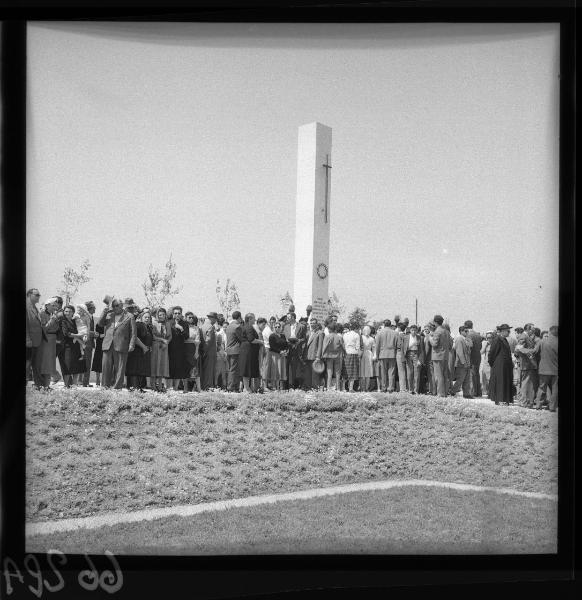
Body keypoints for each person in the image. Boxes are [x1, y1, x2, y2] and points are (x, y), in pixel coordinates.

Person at [98, 297, 137, 389]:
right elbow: (100, 324)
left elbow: (133, 332)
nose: (114, 308)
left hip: (121, 345)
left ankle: (117, 387)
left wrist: (131, 344)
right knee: (106, 367)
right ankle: (104, 386)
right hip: (108, 344)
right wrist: (105, 311)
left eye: (116, 306)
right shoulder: (109, 314)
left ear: (121, 305)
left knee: (120, 368)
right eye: (113, 306)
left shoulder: (129, 316)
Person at [125, 309, 153, 391]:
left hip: (142, 352)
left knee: (140, 369)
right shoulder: (138, 325)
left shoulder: (148, 327)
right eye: (145, 317)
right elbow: (135, 337)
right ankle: (134, 387)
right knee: (134, 369)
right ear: (141, 317)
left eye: (149, 317)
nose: (147, 319)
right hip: (136, 351)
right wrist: (144, 347)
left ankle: (138, 387)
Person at [60, 304, 86, 387]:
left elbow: (82, 329)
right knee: (67, 367)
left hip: (76, 347)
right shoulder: (63, 321)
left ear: (73, 313)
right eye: (66, 311)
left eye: (69, 311)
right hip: (67, 347)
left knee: (76, 367)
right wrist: (79, 335)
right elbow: (66, 334)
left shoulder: (75, 321)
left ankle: (74, 386)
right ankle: (66, 386)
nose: (67, 313)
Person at [488, 324, 515, 405]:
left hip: (505, 366)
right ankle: (499, 400)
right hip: (499, 365)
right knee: (500, 382)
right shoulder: (497, 339)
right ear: (503, 331)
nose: (509, 332)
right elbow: (492, 353)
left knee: (505, 382)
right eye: (508, 331)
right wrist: (493, 364)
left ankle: (505, 399)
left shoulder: (504, 340)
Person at [515, 326, 540, 408]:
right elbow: (519, 348)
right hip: (527, 364)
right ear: (528, 329)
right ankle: (524, 402)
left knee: (530, 384)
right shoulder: (523, 336)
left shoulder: (526, 336)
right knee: (525, 384)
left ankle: (529, 402)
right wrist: (531, 352)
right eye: (532, 329)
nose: (533, 331)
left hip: (529, 364)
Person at [534, 325, 558, 411]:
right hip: (555, 370)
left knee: (542, 388)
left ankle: (538, 405)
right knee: (555, 389)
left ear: (550, 332)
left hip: (543, 369)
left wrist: (522, 349)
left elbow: (534, 352)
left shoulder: (543, 341)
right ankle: (552, 407)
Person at [38, 298, 61, 389]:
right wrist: (53, 319)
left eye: (56, 305)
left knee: (50, 363)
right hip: (46, 339)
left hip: (52, 339)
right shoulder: (42, 314)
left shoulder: (52, 314)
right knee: (45, 363)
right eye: (53, 305)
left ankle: (46, 386)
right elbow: (44, 328)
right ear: (47, 305)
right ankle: (43, 385)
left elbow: (56, 328)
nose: (55, 307)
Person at [238, 313, 263, 392]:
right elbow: (251, 339)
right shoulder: (249, 327)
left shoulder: (246, 326)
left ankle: (247, 387)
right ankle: (246, 388)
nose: (255, 320)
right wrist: (260, 341)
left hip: (248, 351)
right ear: (249, 319)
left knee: (248, 369)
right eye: (253, 318)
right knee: (246, 369)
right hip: (247, 351)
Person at [26, 288, 45, 388]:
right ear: (29, 295)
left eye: (39, 295)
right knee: (27, 365)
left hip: (37, 341)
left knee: (36, 365)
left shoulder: (35, 307)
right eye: (37, 295)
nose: (39, 296)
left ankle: (39, 386)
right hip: (29, 342)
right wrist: (27, 339)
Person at [167, 306, 189, 391]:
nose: (177, 315)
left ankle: (175, 388)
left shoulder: (185, 324)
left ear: (181, 314)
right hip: (170, 348)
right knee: (170, 368)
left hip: (180, 349)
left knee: (178, 369)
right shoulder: (169, 322)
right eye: (175, 313)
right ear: (173, 314)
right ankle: (168, 388)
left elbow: (187, 337)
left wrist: (181, 329)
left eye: (179, 313)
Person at [429, 315, 451, 397]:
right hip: (445, 356)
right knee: (445, 375)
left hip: (437, 356)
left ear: (435, 322)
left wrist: (430, 338)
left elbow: (434, 344)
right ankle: (444, 393)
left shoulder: (437, 332)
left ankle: (440, 394)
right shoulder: (447, 332)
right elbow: (450, 345)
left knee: (438, 376)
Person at [284, 312, 307, 389]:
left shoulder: (301, 326)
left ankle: (296, 384)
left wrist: (299, 341)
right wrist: (286, 341)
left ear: (293, 317)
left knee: (296, 368)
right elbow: (284, 337)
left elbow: (304, 338)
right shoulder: (286, 326)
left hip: (297, 349)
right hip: (288, 349)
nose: (287, 319)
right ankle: (288, 384)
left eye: (288, 317)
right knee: (287, 367)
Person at [151, 308, 172, 392]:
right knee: (154, 365)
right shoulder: (154, 323)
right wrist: (162, 340)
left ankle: (160, 386)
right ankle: (153, 385)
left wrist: (166, 343)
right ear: (157, 315)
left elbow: (170, 336)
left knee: (162, 366)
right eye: (160, 315)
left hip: (164, 347)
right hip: (156, 346)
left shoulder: (167, 324)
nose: (162, 316)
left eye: (163, 314)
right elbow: (153, 336)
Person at [320, 322, 345, 391]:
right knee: (338, 373)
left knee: (329, 372)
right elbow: (343, 346)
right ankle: (338, 388)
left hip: (329, 356)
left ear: (330, 329)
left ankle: (328, 387)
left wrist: (322, 355)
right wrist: (344, 353)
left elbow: (324, 347)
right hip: (338, 356)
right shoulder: (339, 336)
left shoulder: (327, 336)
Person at [374, 319, 398, 392]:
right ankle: (391, 388)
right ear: (390, 325)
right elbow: (397, 345)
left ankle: (384, 388)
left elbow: (377, 346)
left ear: (384, 325)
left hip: (382, 354)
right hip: (392, 354)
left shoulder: (380, 333)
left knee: (383, 372)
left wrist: (377, 355)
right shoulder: (395, 333)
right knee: (391, 372)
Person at [450, 326, 473, 397]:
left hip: (467, 362)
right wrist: (464, 362)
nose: (467, 332)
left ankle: (466, 394)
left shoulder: (466, 339)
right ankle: (453, 391)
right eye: (465, 331)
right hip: (461, 363)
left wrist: (468, 340)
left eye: (467, 331)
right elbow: (460, 352)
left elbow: (470, 347)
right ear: (461, 331)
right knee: (460, 379)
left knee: (467, 379)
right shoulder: (459, 339)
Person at [183, 312, 203, 393]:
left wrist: (196, 351)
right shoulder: (183, 327)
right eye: (189, 317)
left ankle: (199, 388)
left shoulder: (196, 328)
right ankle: (185, 388)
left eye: (192, 317)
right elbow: (183, 339)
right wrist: (193, 340)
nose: (191, 319)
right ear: (185, 318)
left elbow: (198, 341)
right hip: (185, 350)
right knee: (185, 370)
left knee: (195, 369)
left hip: (193, 349)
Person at [303, 319, 324, 390]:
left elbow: (320, 346)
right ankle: (308, 387)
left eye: (314, 323)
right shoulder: (308, 333)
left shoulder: (320, 333)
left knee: (315, 373)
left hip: (315, 356)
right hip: (307, 355)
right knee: (308, 373)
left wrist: (318, 356)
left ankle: (315, 388)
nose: (312, 324)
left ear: (317, 324)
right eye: (311, 323)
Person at [402, 324, 424, 394]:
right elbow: (403, 348)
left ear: (417, 331)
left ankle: (416, 390)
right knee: (409, 373)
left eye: (415, 330)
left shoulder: (420, 338)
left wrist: (420, 360)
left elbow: (422, 350)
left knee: (417, 373)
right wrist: (403, 358)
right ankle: (410, 389)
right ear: (410, 330)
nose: (413, 332)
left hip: (416, 355)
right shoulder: (406, 337)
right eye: (412, 330)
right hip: (408, 355)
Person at [268, 321, 289, 390]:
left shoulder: (283, 335)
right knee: (276, 371)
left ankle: (281, 387)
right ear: (274, 328)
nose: (277, 328)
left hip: (282, 356)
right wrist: (280, 351)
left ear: (281, 328)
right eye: (276, 327)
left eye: (279, 327)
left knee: (282, 371)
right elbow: (272, 346)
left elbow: (286, 344)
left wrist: (286, 350)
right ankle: (275, 387)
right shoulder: (272, 336)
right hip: (275, 355)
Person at [80, 301, 97, 387]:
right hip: (86, 342)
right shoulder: (86, 317)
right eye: (93, 308)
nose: (95, 309)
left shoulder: (90, 317)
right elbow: (83, 330)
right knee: (86, 363)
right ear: (89, 309)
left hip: (89, 343)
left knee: (87, 362)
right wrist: (94, 334)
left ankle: (85, 382)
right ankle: (84, 382)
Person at [225, 311, 243, 392]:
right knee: (234, 370)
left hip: (229, 350)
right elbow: (241, 339)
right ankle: (231, 387)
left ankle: (231, 386)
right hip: (235, 350)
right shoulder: (237, 326)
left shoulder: (228, 326)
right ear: (239, 317)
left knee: (231, 369)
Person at [464, 320, 483, 397]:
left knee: (471, 375)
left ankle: (473, 392)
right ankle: (478, 392)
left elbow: (469, 346)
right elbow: (481, 347)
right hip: (478, 356)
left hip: (471, 357)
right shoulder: (478, 335)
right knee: (477, 374)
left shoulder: (469, 335)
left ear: (465, 326)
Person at [201, 312, 218, 390]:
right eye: (215, 319)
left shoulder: (202, 326)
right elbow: (208, 340)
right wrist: (205, 350)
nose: (216, 321)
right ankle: (207, 386)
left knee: (204, 369)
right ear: (212, 318)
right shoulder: (211, 327)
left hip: (204, 351)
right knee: (209, 369)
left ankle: (204, 385)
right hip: (209, 352)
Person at [343, 322, 361, 392]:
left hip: (346, 353)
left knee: (345, 371)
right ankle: (350, 388)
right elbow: (357, 346)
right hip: (353, 353)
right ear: (356, 328)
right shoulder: (356, 335)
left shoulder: (345, 334)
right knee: (353, 371)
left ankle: (343, 388)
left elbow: (343, 344)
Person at [359, 325, 375, 393]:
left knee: (368, 372)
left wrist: (374, 356)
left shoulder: (372, 339)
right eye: (365, 330)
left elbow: (374, 348)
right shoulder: (361, 338)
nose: (366, 331)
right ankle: (362, 388)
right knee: (362, 372)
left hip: (369, 355)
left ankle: (367, 388)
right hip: (362, 354)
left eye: (368, 330)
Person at [215, 317, 228, 389]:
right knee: (218, 373)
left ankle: (224, 385)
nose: (225, 328)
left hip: (224, 358)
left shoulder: (226, 335)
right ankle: (217, 384)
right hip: (220, 358)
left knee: (223, 373)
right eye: (224, 327)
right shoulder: (219, 334)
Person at [395, 322, 408, 392]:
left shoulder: (398, 336)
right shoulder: (406, 336)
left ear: (399, 328)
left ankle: (402, 388)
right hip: (406, 354)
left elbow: (398, 345)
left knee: (401, 371)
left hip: (399, 353)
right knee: (406, 371)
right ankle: (406, 387)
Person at [479, 331, 494, 396]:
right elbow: (481, 352)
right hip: (486, 363)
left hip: (491, 364)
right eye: (487, 338)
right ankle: (487, 392)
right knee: (485, 379)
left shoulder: (494, 344)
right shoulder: (486, 344)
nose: (488, 339)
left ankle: (491, 393)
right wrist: (485, 345)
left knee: (490, 379)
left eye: (490, 337)